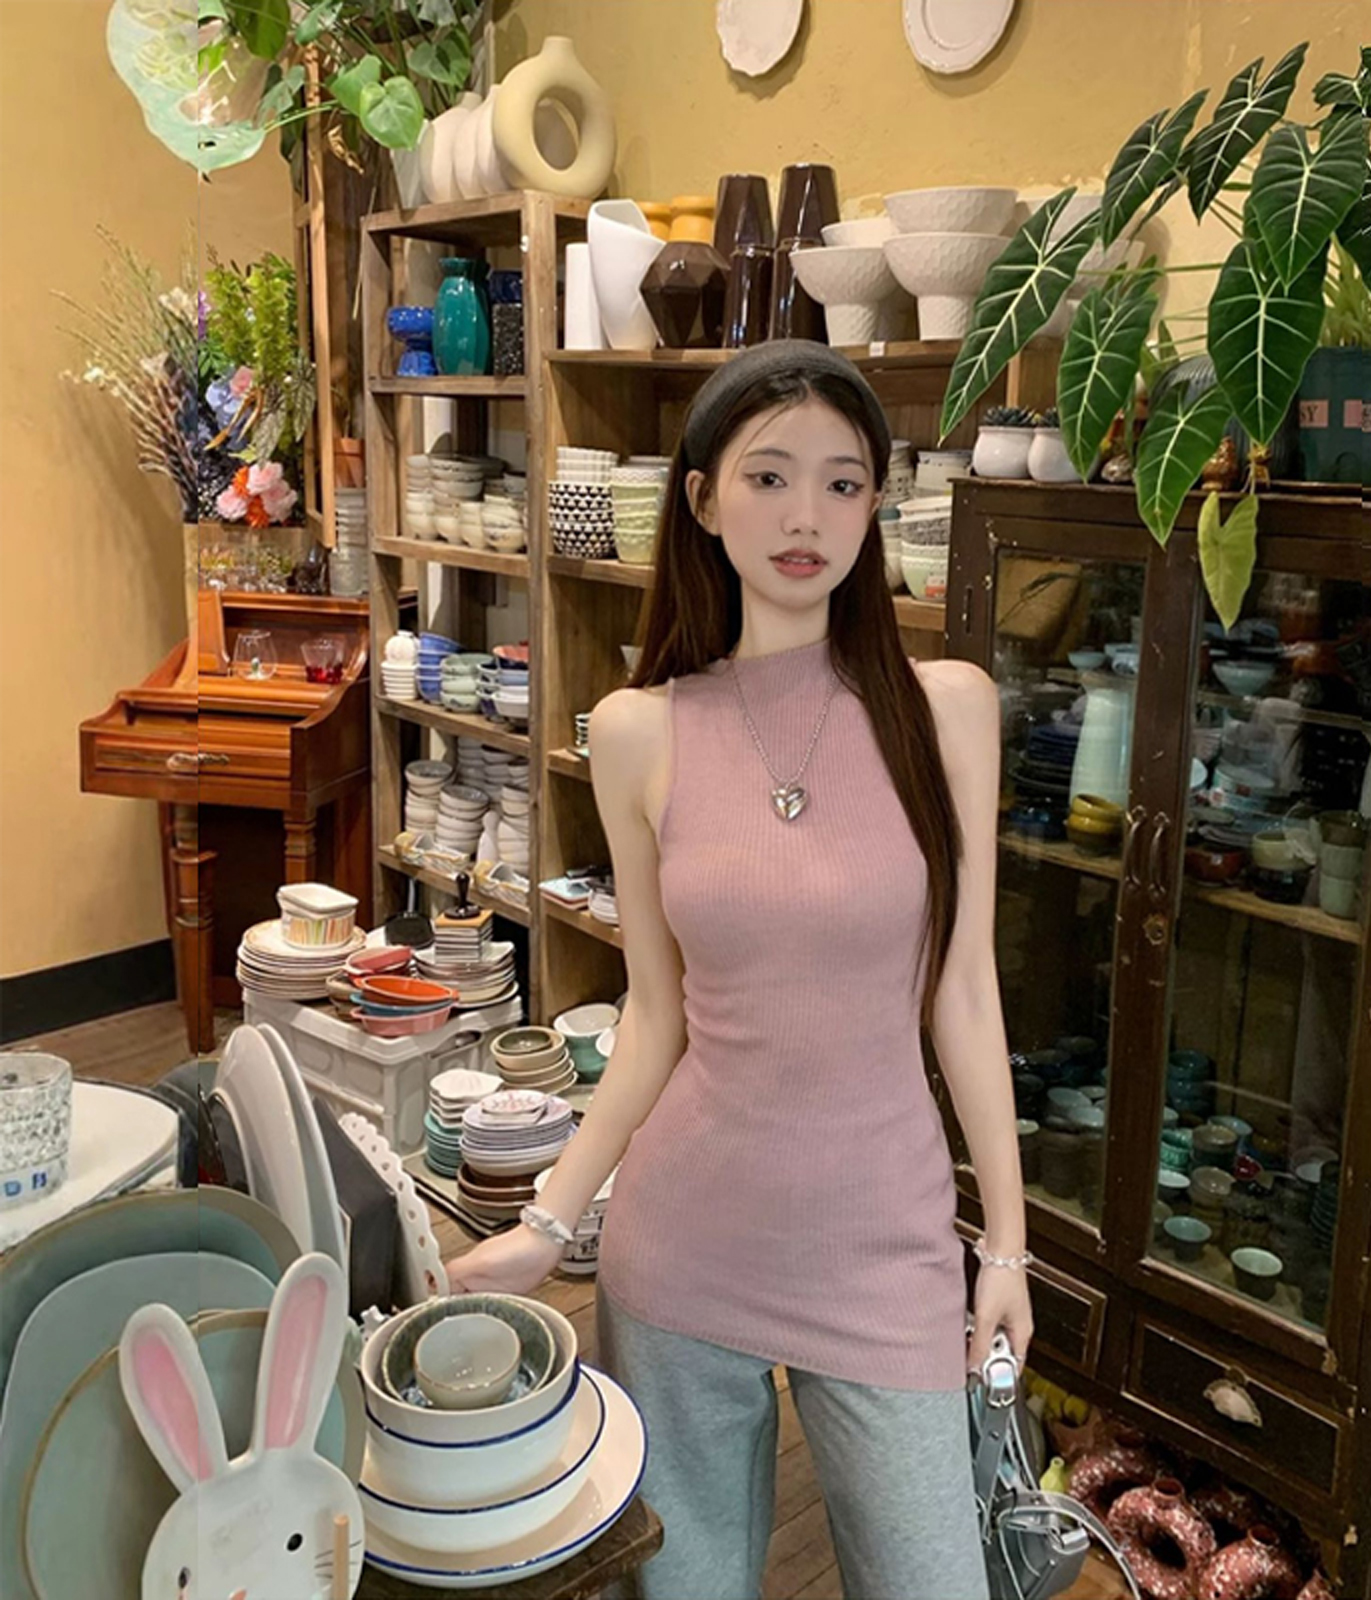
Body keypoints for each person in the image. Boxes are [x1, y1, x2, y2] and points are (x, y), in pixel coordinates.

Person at [450, 341, 1030, 1600]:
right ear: (703, 501)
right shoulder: (637, 730)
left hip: (886, 1248)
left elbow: (966, 992)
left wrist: (1006, 1249)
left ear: (875, 507)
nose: (805, 515)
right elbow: (655, 1020)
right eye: (768, 477)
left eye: (842, 482)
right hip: (683, 1248)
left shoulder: (947, 709)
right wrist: (547, 1222)